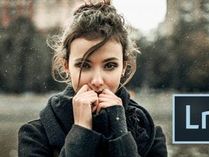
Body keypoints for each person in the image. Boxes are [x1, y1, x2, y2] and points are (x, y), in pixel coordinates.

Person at [18, 1, 167, 157]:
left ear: (124, 66)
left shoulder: (150, 134)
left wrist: (120, 132)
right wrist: (81, 131)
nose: (97, 81)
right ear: (66, 66)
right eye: (84, 65)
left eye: (110, 66)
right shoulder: (35, 135)